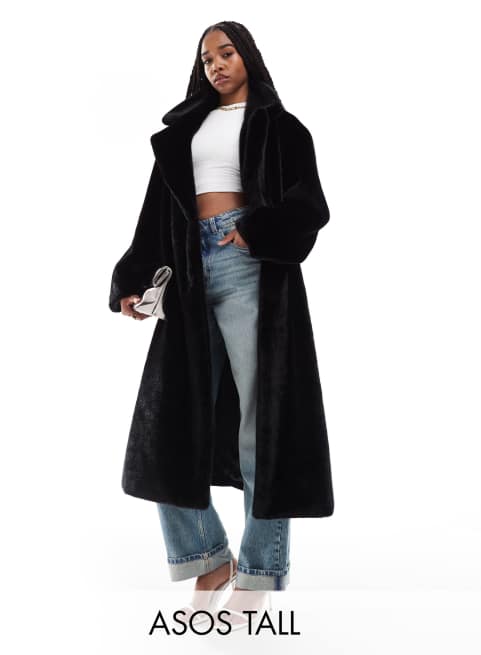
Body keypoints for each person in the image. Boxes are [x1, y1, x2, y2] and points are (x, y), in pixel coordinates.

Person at [109, 21, 334, 632]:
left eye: (226, 52)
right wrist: (132, 280)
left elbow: (310, 206)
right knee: (169, 425)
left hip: (247, 267)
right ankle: (208, 560)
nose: (216, 64)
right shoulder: (184, 132)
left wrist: (253, 231)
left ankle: (258, 574)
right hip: (185, 272)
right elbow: (155, 214)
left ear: (247, 56)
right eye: (206, 58)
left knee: (262, 426)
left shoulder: (282, 128)